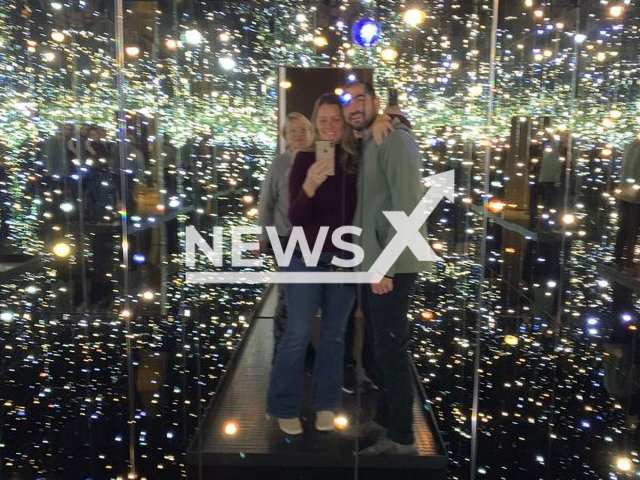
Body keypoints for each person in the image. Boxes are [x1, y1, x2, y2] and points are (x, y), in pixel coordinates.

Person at [342, 81, 428, 455]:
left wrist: (386, 268)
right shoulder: (369, 139)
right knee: (380, 347)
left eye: (361, 98)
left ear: (376, 103)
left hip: (391, 263)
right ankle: (385, 422)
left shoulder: (394, 139)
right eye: (349, 101)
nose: (353, 106)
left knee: (391, 349)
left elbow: (408, 205)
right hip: (373, 260)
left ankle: (403, 438)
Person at [266, 94, 358, 435]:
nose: (330, 126)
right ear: (315, 123)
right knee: (298, 333)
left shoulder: (355, 159)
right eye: (324, 121)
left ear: (345, 122)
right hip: (304, 255)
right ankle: (282, 405)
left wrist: (386, 118)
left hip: (345, 259)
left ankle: (326, 404)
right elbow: (295, 216)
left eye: (337, 120)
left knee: (334, 336)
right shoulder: (303, 159)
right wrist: (309, 185)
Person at [256, 112, 314, 360]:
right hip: (285, 237)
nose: (299, 135)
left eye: (303, 130)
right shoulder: (279, 164)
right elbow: (266, 201)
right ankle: (283, 350)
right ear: (285, 137)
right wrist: (262, 236)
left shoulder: (320, 160)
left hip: (314, 239)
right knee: (288, 294)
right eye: (293, 131)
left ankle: (302, 345)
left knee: (308, 295)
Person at [614, 136, 640, 275]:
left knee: (624, 227)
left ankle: (618, 260)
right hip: (636, 195)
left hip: (624, 192)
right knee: (632, 230)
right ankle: (628, 263)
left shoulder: (629, 146)